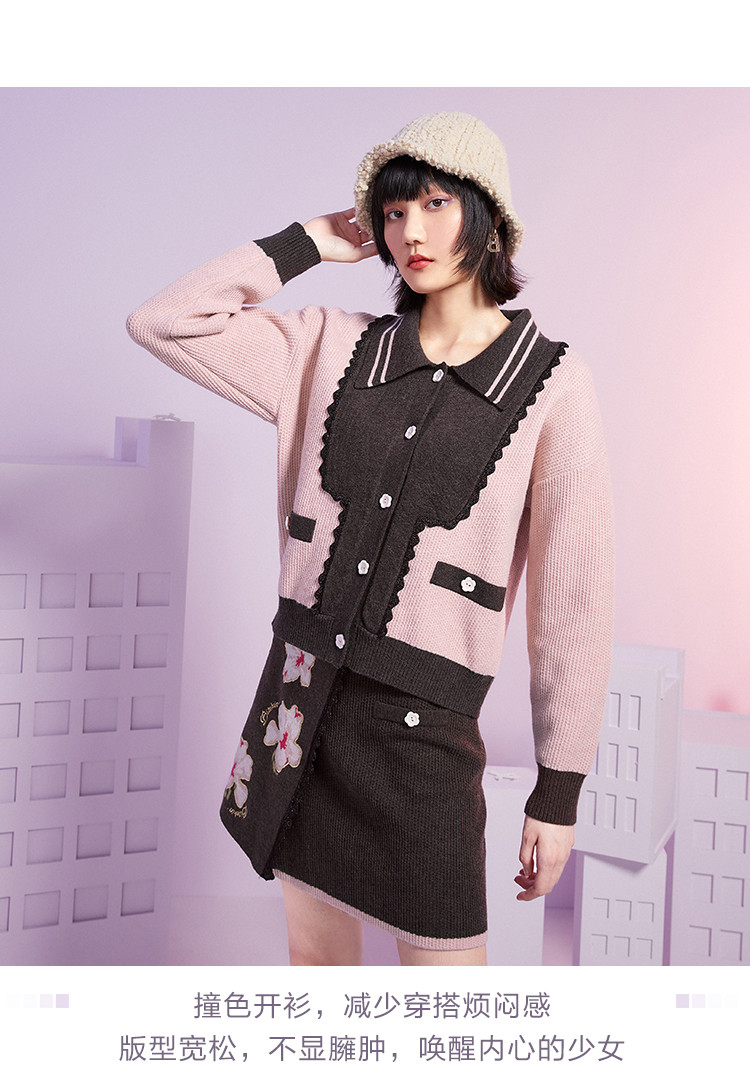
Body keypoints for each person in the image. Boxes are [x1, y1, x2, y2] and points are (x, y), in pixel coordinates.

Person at [127, 111, 615, 967]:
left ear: (488, 215)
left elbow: (572, 605)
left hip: (423, 737)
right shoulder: (329, 348)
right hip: (302, 705)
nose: (410, 231)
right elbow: (163, 321)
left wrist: (559, 789)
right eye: (393, 211)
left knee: (445, 1009)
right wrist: (307, 242)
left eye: (434, 203)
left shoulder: (553, 385)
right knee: (318, 972)